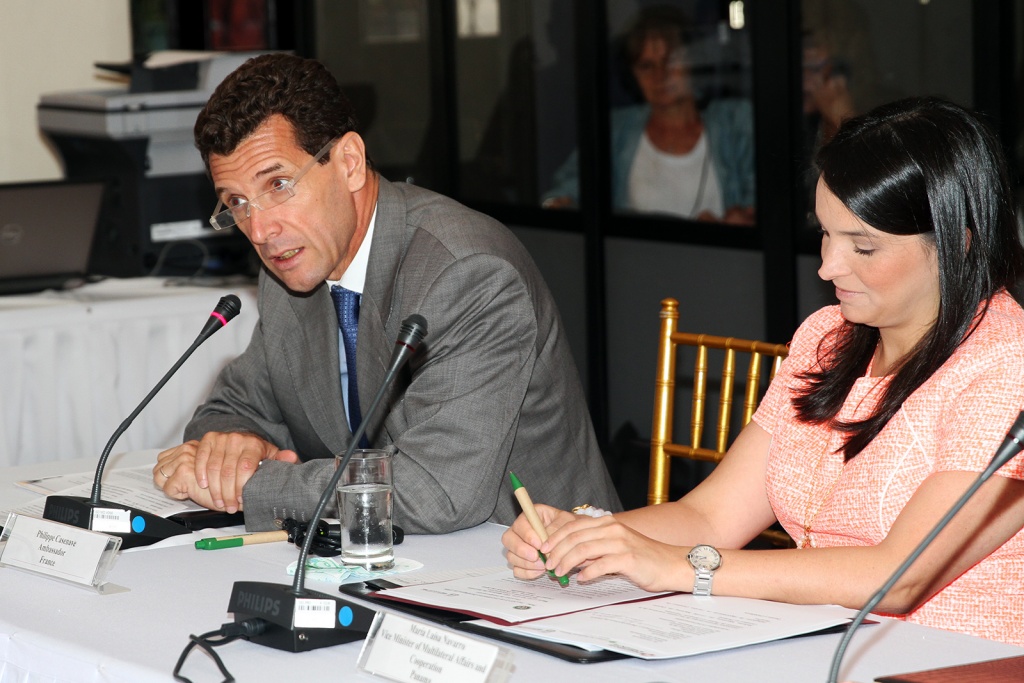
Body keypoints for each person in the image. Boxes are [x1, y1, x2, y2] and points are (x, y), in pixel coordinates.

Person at [504, 96, 1024, 646]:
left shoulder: (1006, 366)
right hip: (814, 644)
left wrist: (681, 567)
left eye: (863, 247)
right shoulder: (828, 337)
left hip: (948, 661)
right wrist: (589, 536)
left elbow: (898, 576)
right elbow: (710, 518)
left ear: (957, 243)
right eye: (825, 233)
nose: (828, 266)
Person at [152, 53, 621, 534]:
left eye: (279, 184)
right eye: (237, 202)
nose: (260, 230)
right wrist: (234, 447)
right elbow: (229, 412)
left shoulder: (468, 273)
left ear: (349, 163)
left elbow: (435, 491)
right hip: (389, 553)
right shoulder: (293, 269)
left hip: (537, 558)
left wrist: (258, 483)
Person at [543, 4, 755, 224]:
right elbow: (562, 192)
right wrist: (556, 206)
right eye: (646, 66)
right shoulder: (616, 130)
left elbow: (766, 192)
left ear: (693, 62)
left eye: (670, 60)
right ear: (632, 75)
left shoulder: (735, 122)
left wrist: (742, 221)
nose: (659, 75)